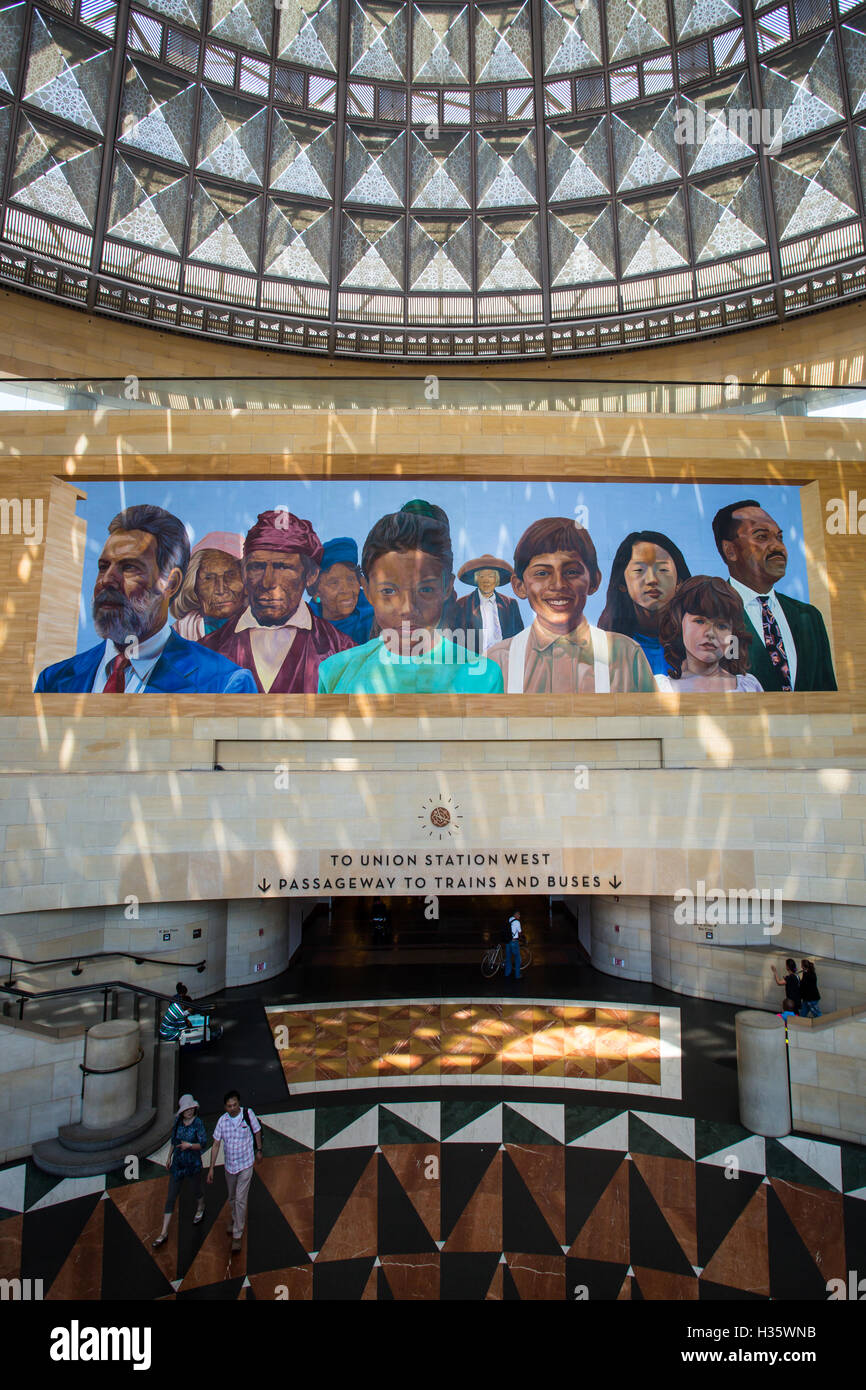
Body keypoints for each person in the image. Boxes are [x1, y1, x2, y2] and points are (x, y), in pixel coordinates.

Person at [34, 505, 258, 694]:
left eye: (129, 567)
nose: (107, 580)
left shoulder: (224, 684)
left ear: (171, 583)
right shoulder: (55, 681)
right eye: (103, 567)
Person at [317, 503, 504, 694]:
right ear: (367, 591)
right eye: (388, 591)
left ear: (447, 588)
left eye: (425, 590)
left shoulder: (484, 677)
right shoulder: (335, 673)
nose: (407, 608)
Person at [486, 518, 656, 693]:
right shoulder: (497, 662)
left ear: (594, 581)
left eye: (572, 572)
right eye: (542, 573)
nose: (558, 584)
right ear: (519, 586)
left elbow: (652, 719)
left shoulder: (626, 655)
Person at [201, 510, 354, 692]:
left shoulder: (343, 652)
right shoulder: (206, 652)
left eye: (283, 567)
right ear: (243, 572)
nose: (267, 582)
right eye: (257, 567)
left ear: (311, 575)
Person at [712, 499, 837, 691]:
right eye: (762, 537)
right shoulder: (708, 615)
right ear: (730, 551)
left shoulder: (809, 617)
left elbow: (828, 695)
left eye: (779, 537)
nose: (777, 547)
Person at [597, 531, 691, 676]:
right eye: (639, 570)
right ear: (622, 583)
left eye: (663, 569)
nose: (652, 579)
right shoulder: (605, 647)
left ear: (679, 582)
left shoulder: (696, 645)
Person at [655, 576, 763, 692]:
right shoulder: (660, 688)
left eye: (721, 626)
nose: (710, 633)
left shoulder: (748, 687)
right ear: (679, 623)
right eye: (700, 621)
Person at [207, 1089, 263, 1253]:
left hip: (246, 1164)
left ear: (239, 1103)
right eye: (229, 1106)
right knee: (232, 1197)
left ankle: (237, 1234)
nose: (233, 1108)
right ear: (225, 1107)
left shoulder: (248, 1114)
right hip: (230, 1167)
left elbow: (257, 1131)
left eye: (235, 1105)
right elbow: (216, 1144)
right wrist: (211, 1168)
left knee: (240, 1199)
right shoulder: (222, 1122)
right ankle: (234, 1218)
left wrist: (259, 1150)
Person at [152, 1094, 207, 1247]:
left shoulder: (198, 1123)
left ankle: (201, 1206)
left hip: (193, 1163)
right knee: (171, 1196)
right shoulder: (178, 1122)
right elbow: (174, 1141)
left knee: (196, 1190)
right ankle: (164, 1232)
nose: (189, 1111)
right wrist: (169, 1157)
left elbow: (203, 1143)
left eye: (191, 1108)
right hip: (178, 1164)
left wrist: (189, 1145)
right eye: (186, 1109)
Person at [171, 532, 245, 641]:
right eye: (209, 578)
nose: (220, 590)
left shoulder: (269, 631)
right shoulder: (180, 633)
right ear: (194, 586)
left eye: (231, 575)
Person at [307, 536, 374, 647]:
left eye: (351, 579)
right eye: (334, 583)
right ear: (316, 593)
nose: (346, 590)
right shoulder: (303, 629)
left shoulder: (376, 619)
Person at [453, 554, 524, 653]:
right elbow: (455, 641)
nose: (486, 580)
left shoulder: (510, 604)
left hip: (503, 662)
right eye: (482, 576)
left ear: (496, 579)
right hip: (473, 663)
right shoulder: (462, 604)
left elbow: (519, 638)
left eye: (491, 576)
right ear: (476, 579)